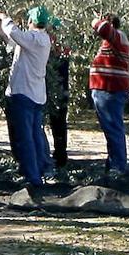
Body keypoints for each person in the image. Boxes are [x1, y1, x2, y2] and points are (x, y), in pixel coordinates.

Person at [0, 6, 53, 186]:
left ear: (31, 21)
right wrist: (2, 33)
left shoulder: (35, 38)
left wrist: (4, 18)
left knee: (25, 138)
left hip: (24, 93)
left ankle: (33, 177)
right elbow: (15, 42)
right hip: (35, 94)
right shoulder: (40, 39)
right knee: (34, 136)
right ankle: (39, 171)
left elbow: (17, 35)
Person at [89, 12, 129, 175]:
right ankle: (114, 164)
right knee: (112, 128)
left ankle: (117, 167)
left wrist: (95, 20)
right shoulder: (114, 40)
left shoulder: (118, 36)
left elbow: (102, 28)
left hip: (109, 89)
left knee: (113, 128)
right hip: (107, 90)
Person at [47, 17, 72, 169]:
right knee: (60, 123)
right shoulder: (65, 49)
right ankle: (60, 155)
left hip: (55, 91)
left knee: (58, 123)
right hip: (61, 90)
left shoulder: (58, 51)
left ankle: (60, 156)